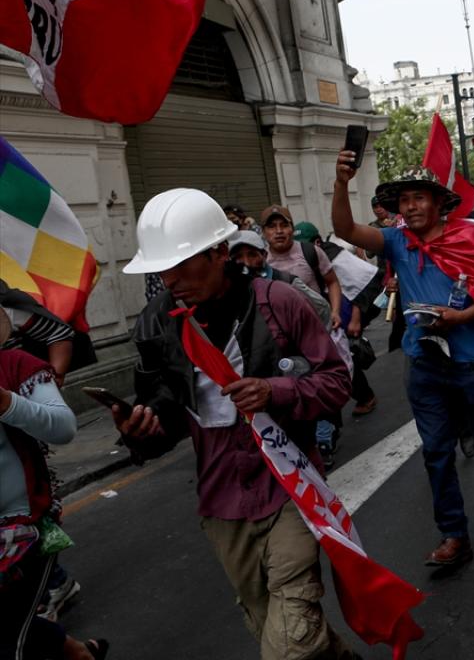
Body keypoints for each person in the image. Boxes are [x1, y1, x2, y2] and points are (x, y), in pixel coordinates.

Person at [115, 188, 356, 660]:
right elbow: (164, 410)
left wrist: (275, 391)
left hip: (290, 489)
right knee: (277, 625)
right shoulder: (157, 323)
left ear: (220, 253)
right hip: (222, 501)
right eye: (162, 270)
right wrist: (140, 429)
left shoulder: (280, 302)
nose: (171, 279)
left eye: (183, 266)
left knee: (287, 646)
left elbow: (336, 382)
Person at [332, 158, 474, 568]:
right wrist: (340, 182)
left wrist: (463, 317)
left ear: (439, 203)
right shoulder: (397, 242)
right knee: (436, 451)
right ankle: (454, 534)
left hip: (471, 360)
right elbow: (347, 230)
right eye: (404, 200)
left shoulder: (472, 237)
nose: (411, 206)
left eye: (419, 197)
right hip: (423, 362)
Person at [0, 310, 108, 660]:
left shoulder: (15, 365)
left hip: (19, 532)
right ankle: (76, 653)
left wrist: (7, 403)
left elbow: (63, 427)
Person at [260, 205, 346, 465]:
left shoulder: (310, 252)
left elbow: (332, 281)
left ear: (291, 227)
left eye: (283, 225)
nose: (279, 232)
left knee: (320, 381)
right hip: (283, 341)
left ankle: (323, 438)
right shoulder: (259, 260)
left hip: (315, 332)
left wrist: (335, 310)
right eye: (272, 227)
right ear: (264, 233)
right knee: (292, 388)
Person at [294, 222, 381, 417]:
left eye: (305, 244)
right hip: (320, 316)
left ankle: (365, 397)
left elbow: (360, 284)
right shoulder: (298, 257)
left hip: (343, 315)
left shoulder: (332, 255)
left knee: (343, 358)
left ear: (316, 241)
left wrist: (356, 320)